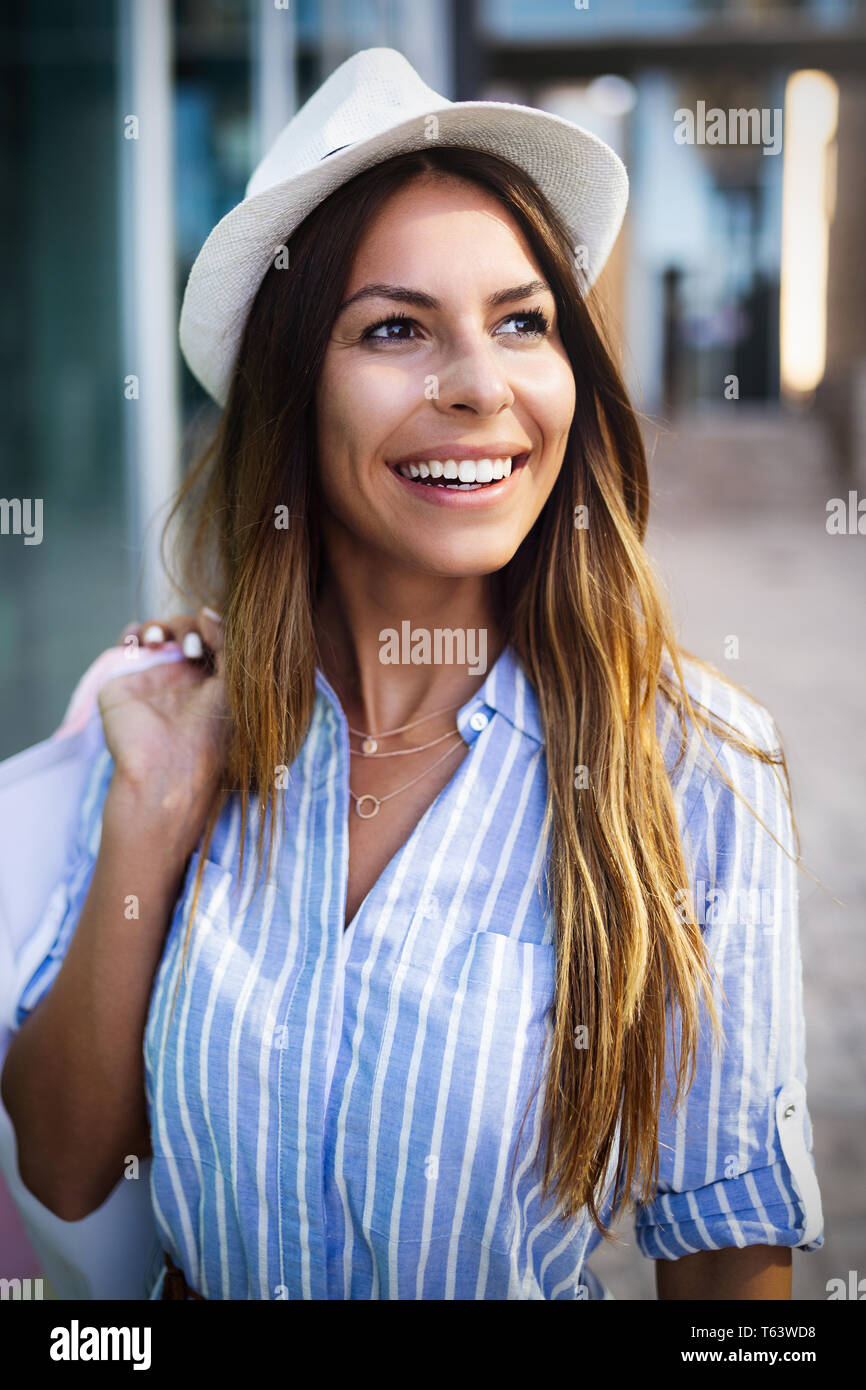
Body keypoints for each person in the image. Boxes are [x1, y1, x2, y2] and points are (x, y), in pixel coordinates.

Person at [1, 48, 823, 1300]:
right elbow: (65, 1166)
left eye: (520, 322)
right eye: (395, 327)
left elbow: (724, 1271)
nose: (479, 386)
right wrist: (150, 813)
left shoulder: (693, 763)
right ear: (291, 392)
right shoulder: (181, 722)